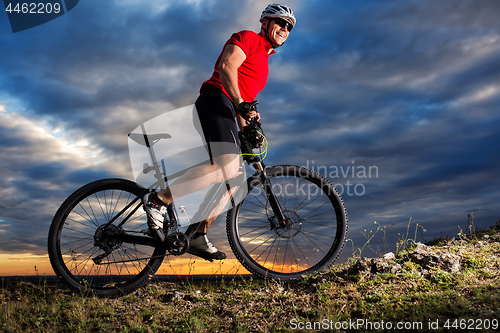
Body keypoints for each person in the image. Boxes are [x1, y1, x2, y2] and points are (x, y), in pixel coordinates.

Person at [143, 4, 296, 260]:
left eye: (289, 27)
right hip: (215, 99)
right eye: (280, 22)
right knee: (226, 165)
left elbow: (244, 102)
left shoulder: (265, 63)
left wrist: (247, 129)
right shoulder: (248, 38)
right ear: (266, 23)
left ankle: (199, 235)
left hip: (229, 106)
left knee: (234, 178)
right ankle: (159, 200)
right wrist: (241, 105)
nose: (285, 29)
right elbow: (227, 67)